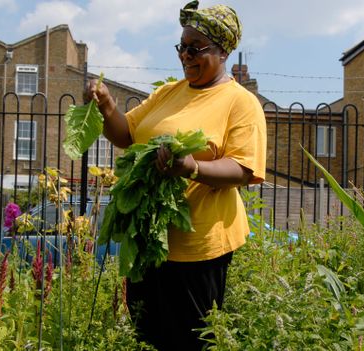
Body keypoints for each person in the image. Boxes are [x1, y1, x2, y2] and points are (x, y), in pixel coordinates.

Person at [85, 1, 266, 349]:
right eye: (181, 47)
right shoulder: (168, 93)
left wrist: (191, 167)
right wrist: (106, 105)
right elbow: (126, 135)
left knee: (191, 340)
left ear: (223, 50)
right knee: (146, 335)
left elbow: (242, 169)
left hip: (198, 247)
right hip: (150, 241)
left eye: (195, 48)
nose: (185, 56)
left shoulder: (240, 103)